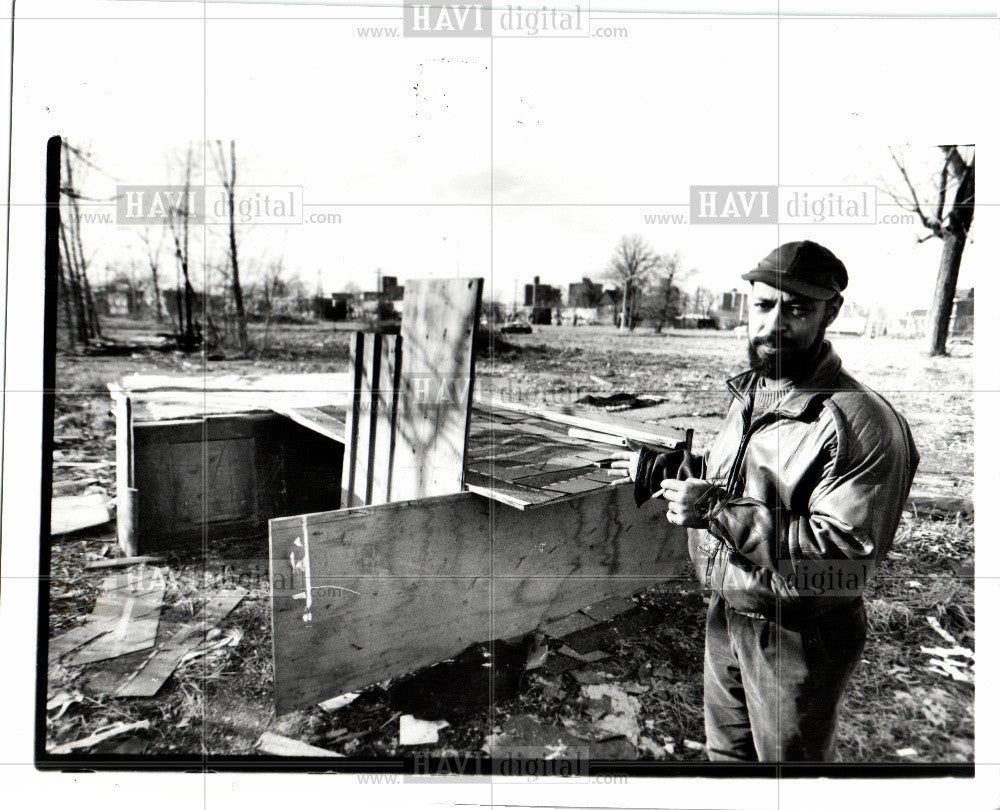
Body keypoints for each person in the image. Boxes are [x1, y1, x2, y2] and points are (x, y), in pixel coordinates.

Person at [612, 240, 919, 762]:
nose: (774, 324)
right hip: (729, 610)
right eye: (763, 305)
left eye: (796, 308)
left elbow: (842, 561)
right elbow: (747, 486)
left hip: (797, 634)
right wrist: (673, 476)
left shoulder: (858, 422)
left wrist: (713, 511)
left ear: (831, 312)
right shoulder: (756, 390)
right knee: (728, 759)